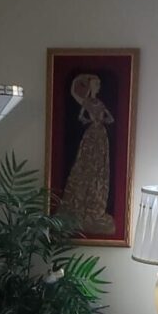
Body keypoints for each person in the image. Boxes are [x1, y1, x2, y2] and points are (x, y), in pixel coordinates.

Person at [58, 74, 117, 236]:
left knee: (99, 168)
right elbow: (80, 115)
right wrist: (93, 120)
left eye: (98, 85)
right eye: (95, 85)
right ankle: (81, 204)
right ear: (91, 87)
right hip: (94, 135)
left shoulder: (98, 103)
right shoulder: (88, 102)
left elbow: (111, 118)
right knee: (86, 166)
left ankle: (94, 203)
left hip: (99, 136)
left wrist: (95, 120)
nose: (97, 88)